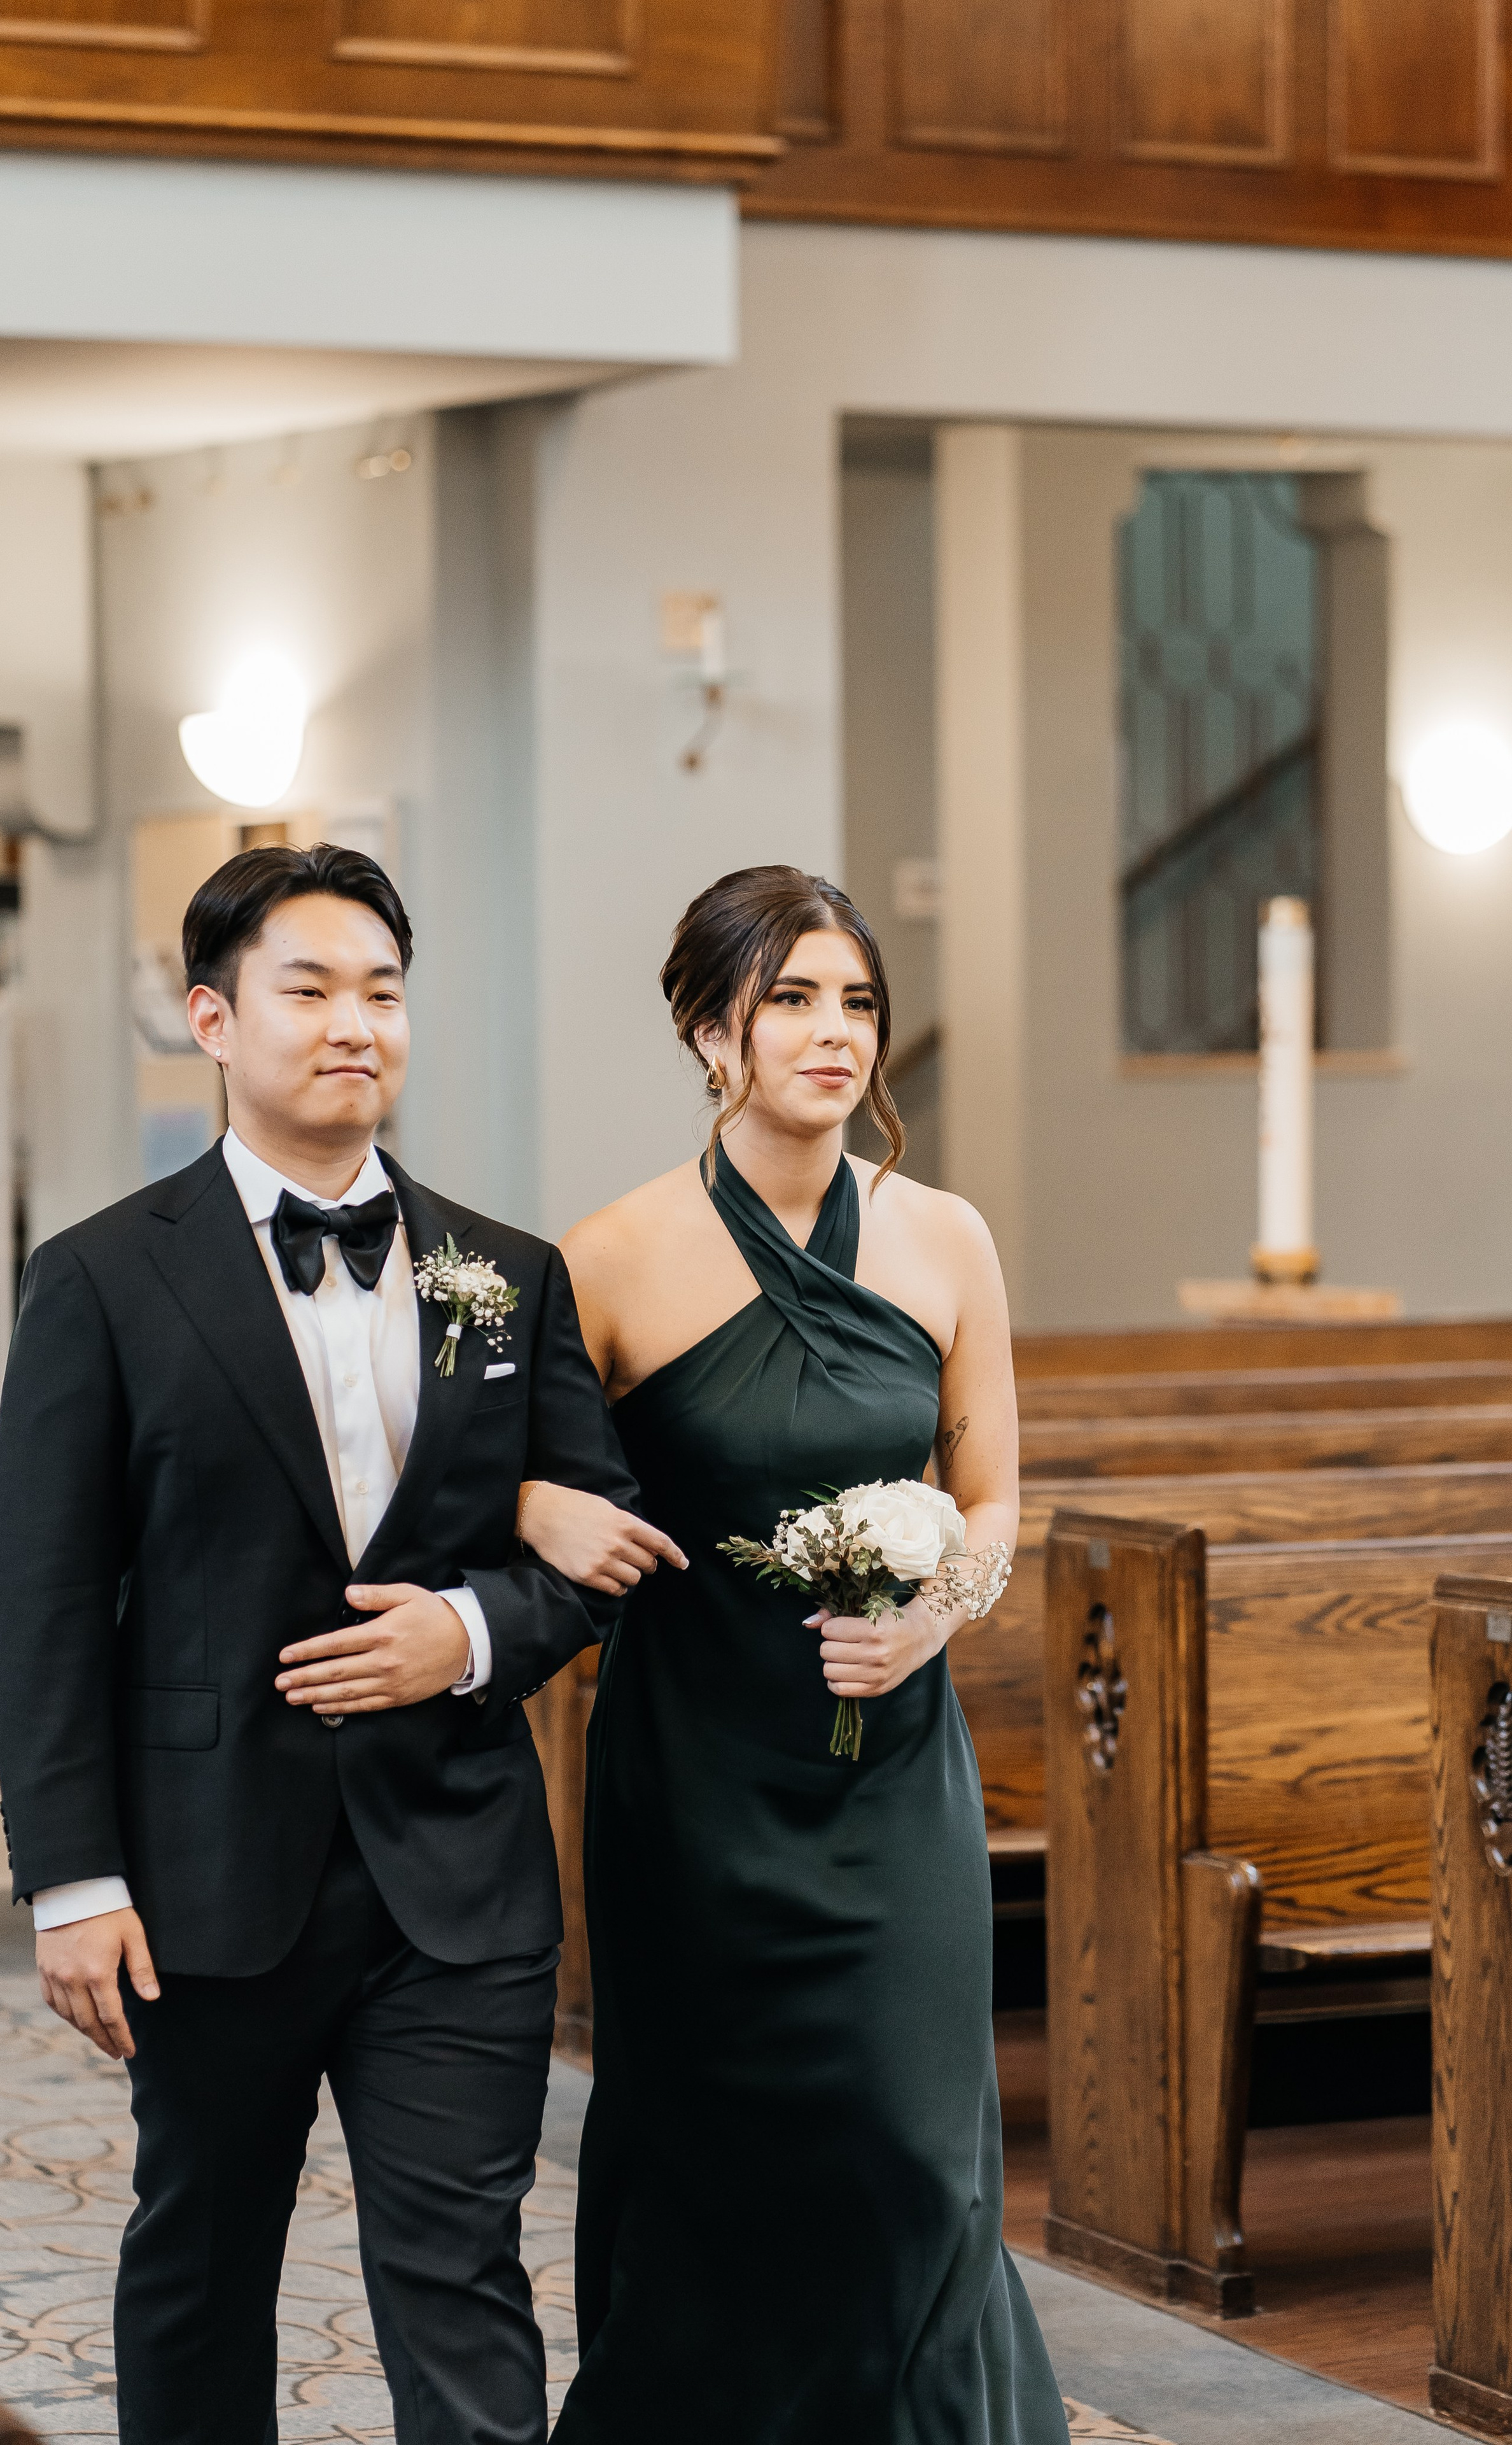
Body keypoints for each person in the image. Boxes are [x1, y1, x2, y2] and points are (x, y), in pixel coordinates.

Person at [0, 842, 675, 2445]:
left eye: (381, 989)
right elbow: (45, 1599)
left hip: (457, 1873)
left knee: (461, 2268)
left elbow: (595, 1543)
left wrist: (469, 1627)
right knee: (204, 2257)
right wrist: (74, 1880)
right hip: (205, 1873)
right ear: (214, 1019)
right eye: (309, 988)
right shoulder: (98, 1278)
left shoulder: (503, 1276)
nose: (353, 1021)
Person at [519, 865, 1070, 2442]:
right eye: (791, 1000)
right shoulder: (611, 1255)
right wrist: (548, 1501)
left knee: (914, 2146)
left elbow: (991, 1497)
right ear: (710, 1031)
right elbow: (498, 1471)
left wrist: (936, 1611)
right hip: (695, 1779)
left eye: (856, 1002)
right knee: (713, 2150)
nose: (835, 1034)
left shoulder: (945, 1238)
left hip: (893, 1779)